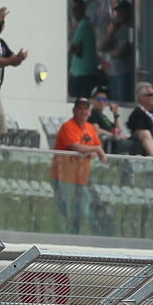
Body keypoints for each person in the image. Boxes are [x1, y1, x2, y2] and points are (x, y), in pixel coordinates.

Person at [52, 96, 106, 234]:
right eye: (80, 108)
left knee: (83, 210)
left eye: (86, 109)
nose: (83, 112)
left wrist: (93, 151)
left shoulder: (89, 128)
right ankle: (63, 237)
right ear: (74, 110)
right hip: (64, 176)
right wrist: (94, 150)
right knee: (67, 209)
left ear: (89, 112)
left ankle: (76, 235)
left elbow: (96, 146)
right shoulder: (68, 127)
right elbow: (76, 146)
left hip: (83, 178)